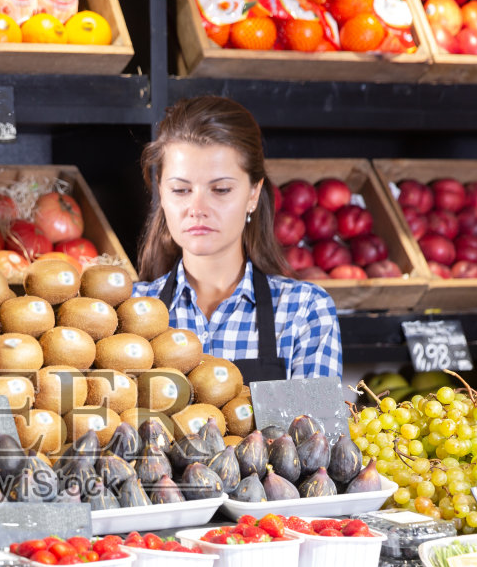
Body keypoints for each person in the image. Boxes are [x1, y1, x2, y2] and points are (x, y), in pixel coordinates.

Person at [133, 96, 341, 382]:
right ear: (162, 194)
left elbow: (315, 427)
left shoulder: (304, 311)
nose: (197, 209)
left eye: (220, 190)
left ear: (253, 194)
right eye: (181, 190)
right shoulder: (131, 310)